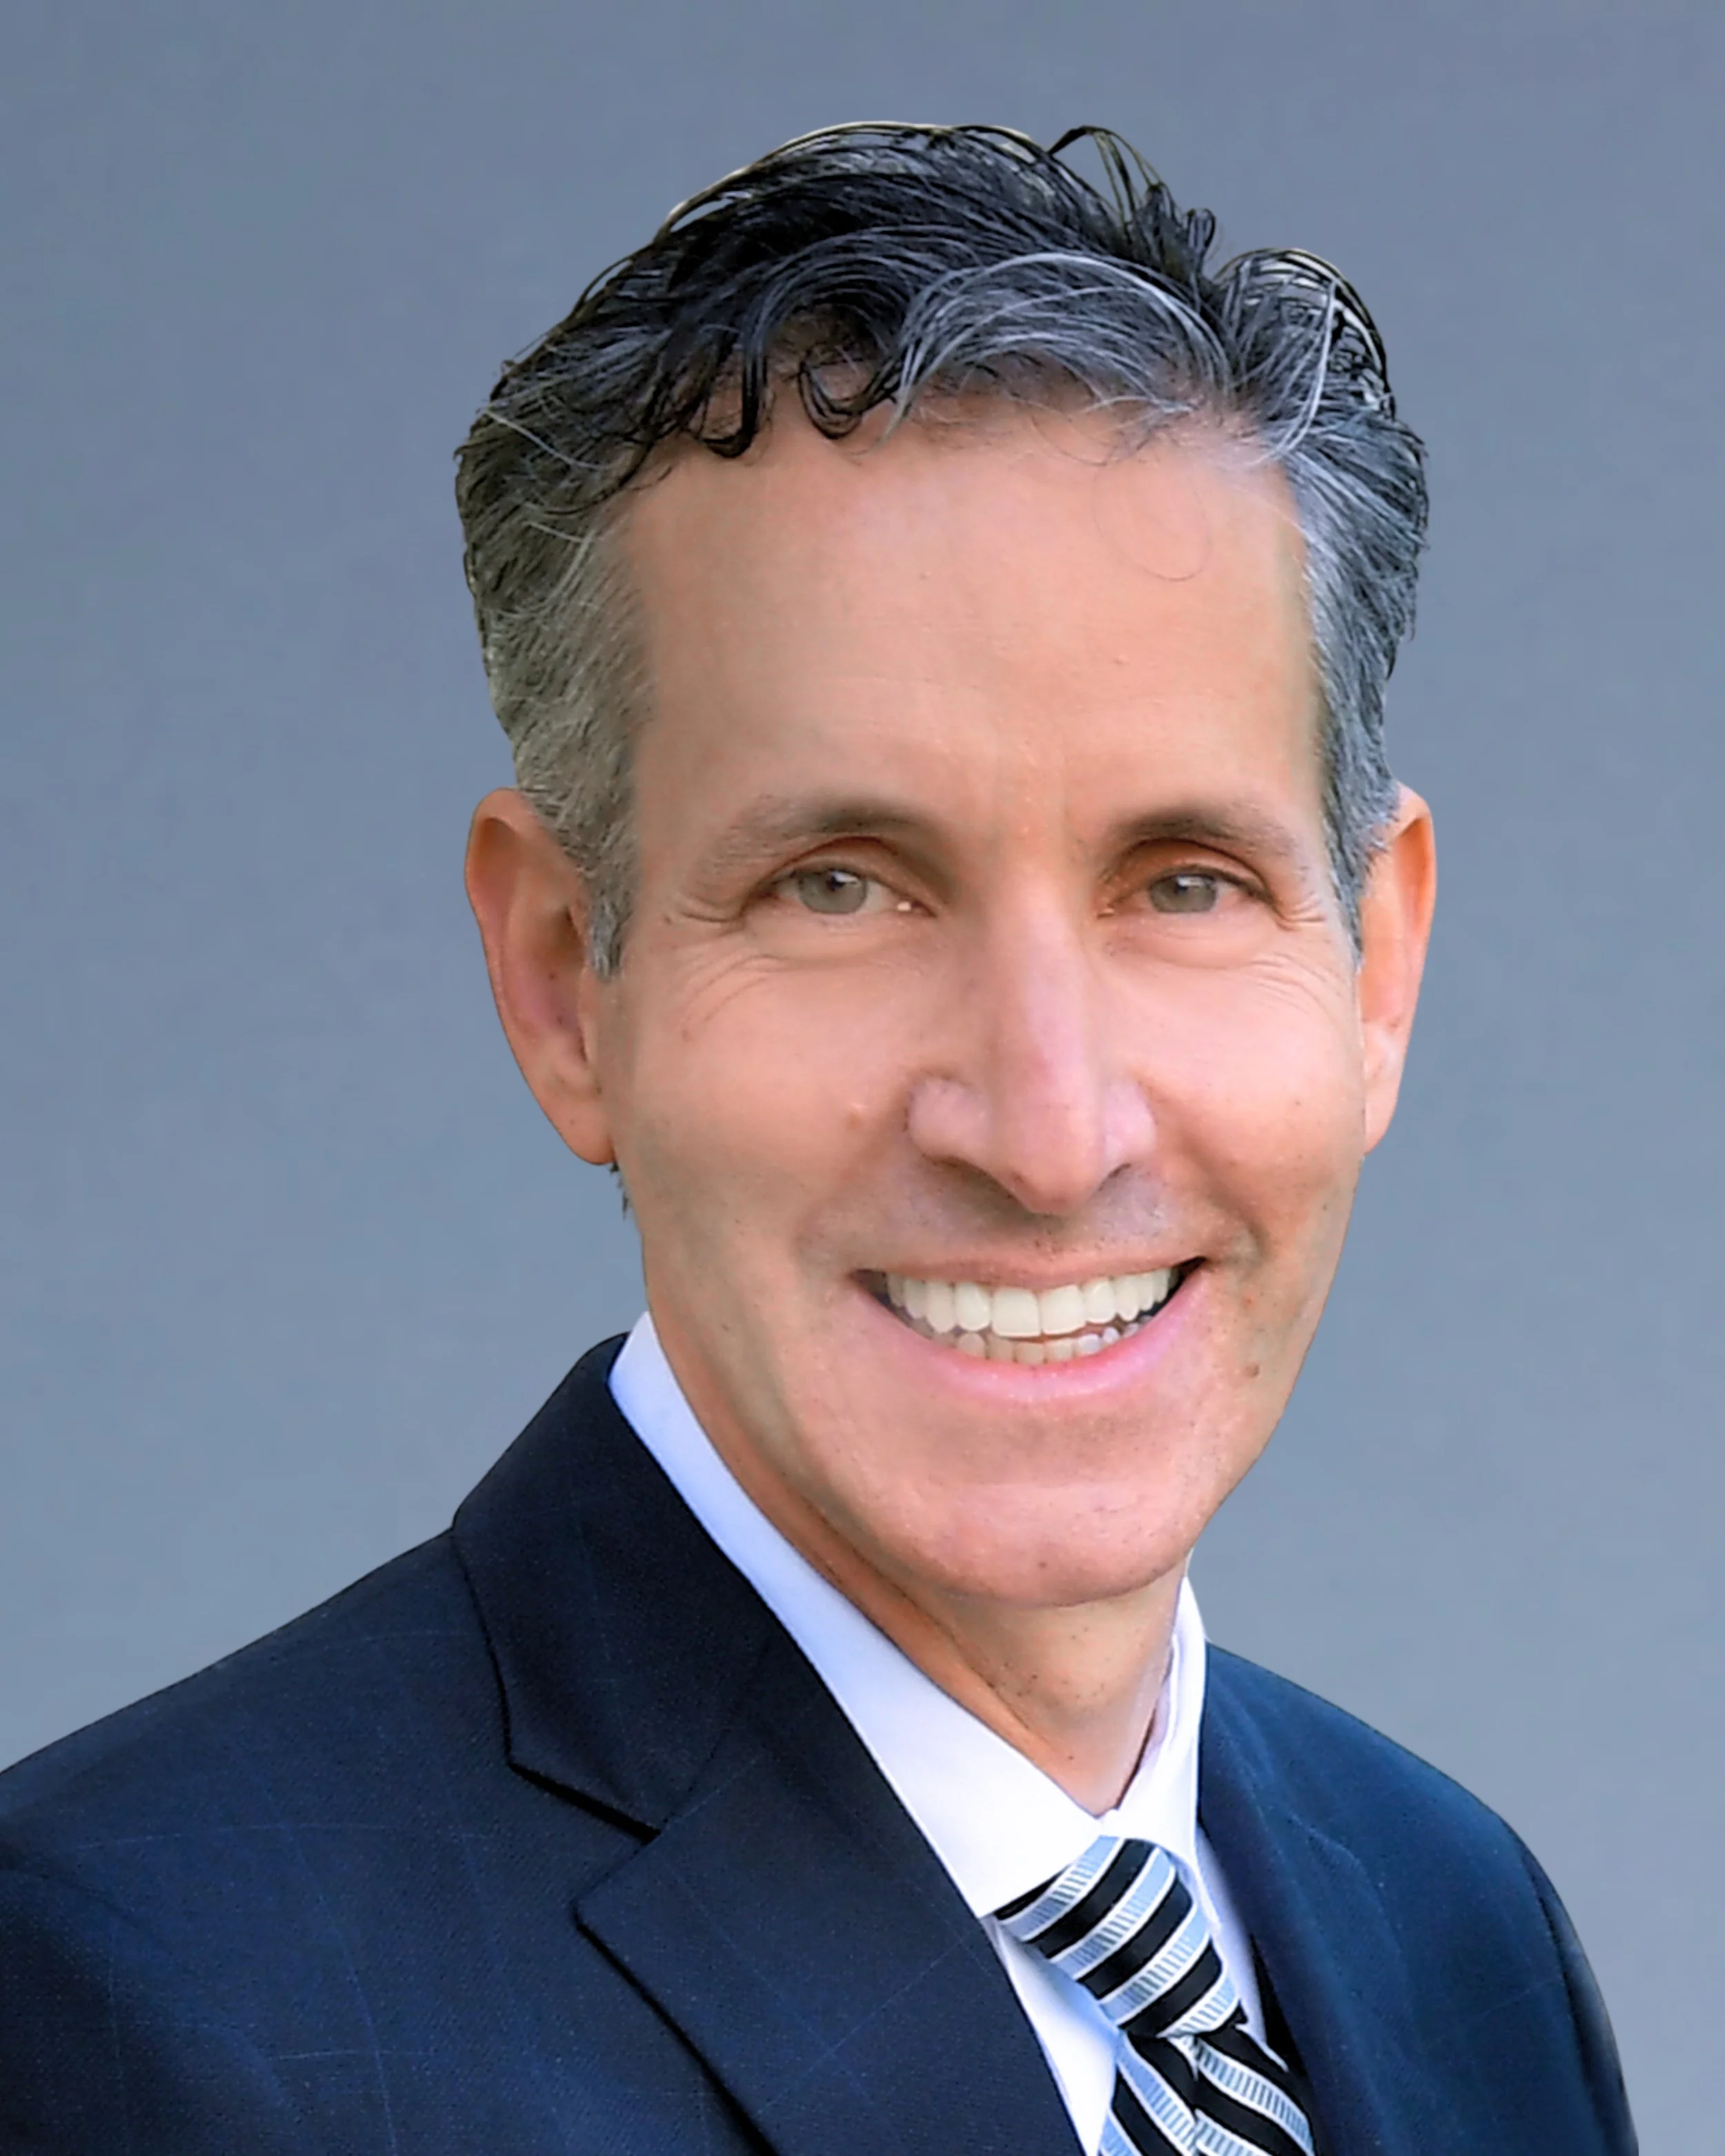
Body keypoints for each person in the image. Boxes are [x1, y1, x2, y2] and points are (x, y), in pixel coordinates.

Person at [0, 123, 1635, 2155]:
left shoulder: (1454, 1935)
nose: (1046, 1129)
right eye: (844, 884)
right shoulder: (137, 2008)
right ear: (558, 978)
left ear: (1372, 967)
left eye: (1184, 880)